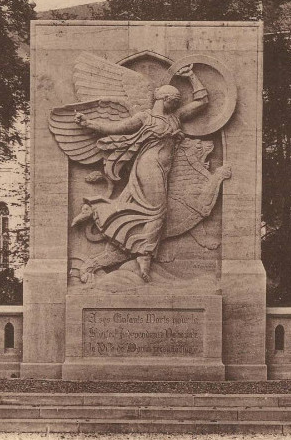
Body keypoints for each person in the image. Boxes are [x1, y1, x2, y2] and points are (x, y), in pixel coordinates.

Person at [71, 65, 207, 281]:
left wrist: (191, 76)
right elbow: (116, 128)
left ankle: (96, 210)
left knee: (151, 210)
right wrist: (89, 123)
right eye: (174, 98)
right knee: (158, 210)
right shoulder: (145, 118)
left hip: (164, 170)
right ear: (163, 98)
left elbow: (202, 102)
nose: (178, 102)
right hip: (148, 166)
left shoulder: (175, 118)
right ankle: (144, 254)